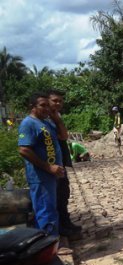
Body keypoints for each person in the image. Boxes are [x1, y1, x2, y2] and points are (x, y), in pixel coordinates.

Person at [18, 93, 65, 236]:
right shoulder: (28, 123)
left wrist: (57, 120)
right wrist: (49, 167)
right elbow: (24, 149)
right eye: (42, 105)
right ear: (32, 107)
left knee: (50, 209)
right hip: (40, 177)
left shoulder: (46, 123)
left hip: (51, 176)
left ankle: (51, 242)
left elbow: (63, 136)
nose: (46, 109)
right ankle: (49, 244)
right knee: (45, 211)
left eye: (47, 105)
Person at [46, 89, 81, 237]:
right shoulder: (44, 119)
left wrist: (58, 120)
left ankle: (65, 222)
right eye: (55, 100)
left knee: (64, 193)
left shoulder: (56, 116)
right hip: (50, 164)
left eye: (60, 101)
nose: (58, 103)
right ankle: (59, 227)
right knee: (55, 196)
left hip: (59, 161)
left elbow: (64, 136)